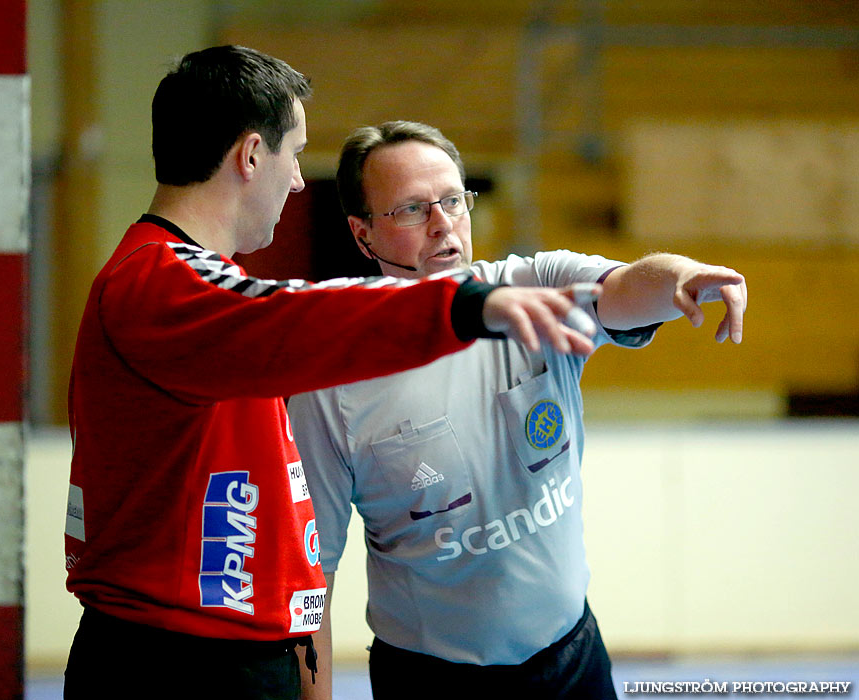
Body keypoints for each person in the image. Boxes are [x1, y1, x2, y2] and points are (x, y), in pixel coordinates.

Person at [62, 49, 600, 700]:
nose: (295, 183)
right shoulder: (160, 284)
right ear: (251, 155)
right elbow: (296, 318)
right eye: (294, 154)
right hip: (180, 664)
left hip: (216, 653)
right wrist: (464, 304)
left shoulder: (189, 287)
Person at [288, 120, 748, 699]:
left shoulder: (533, 288)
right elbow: (310, 580)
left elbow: (627, 288)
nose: (442, 226)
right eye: (410, 210)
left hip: (574, 660)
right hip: (433, 682)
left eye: (453, 201)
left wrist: (681, 275)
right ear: (363, 236)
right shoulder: (331, 384)